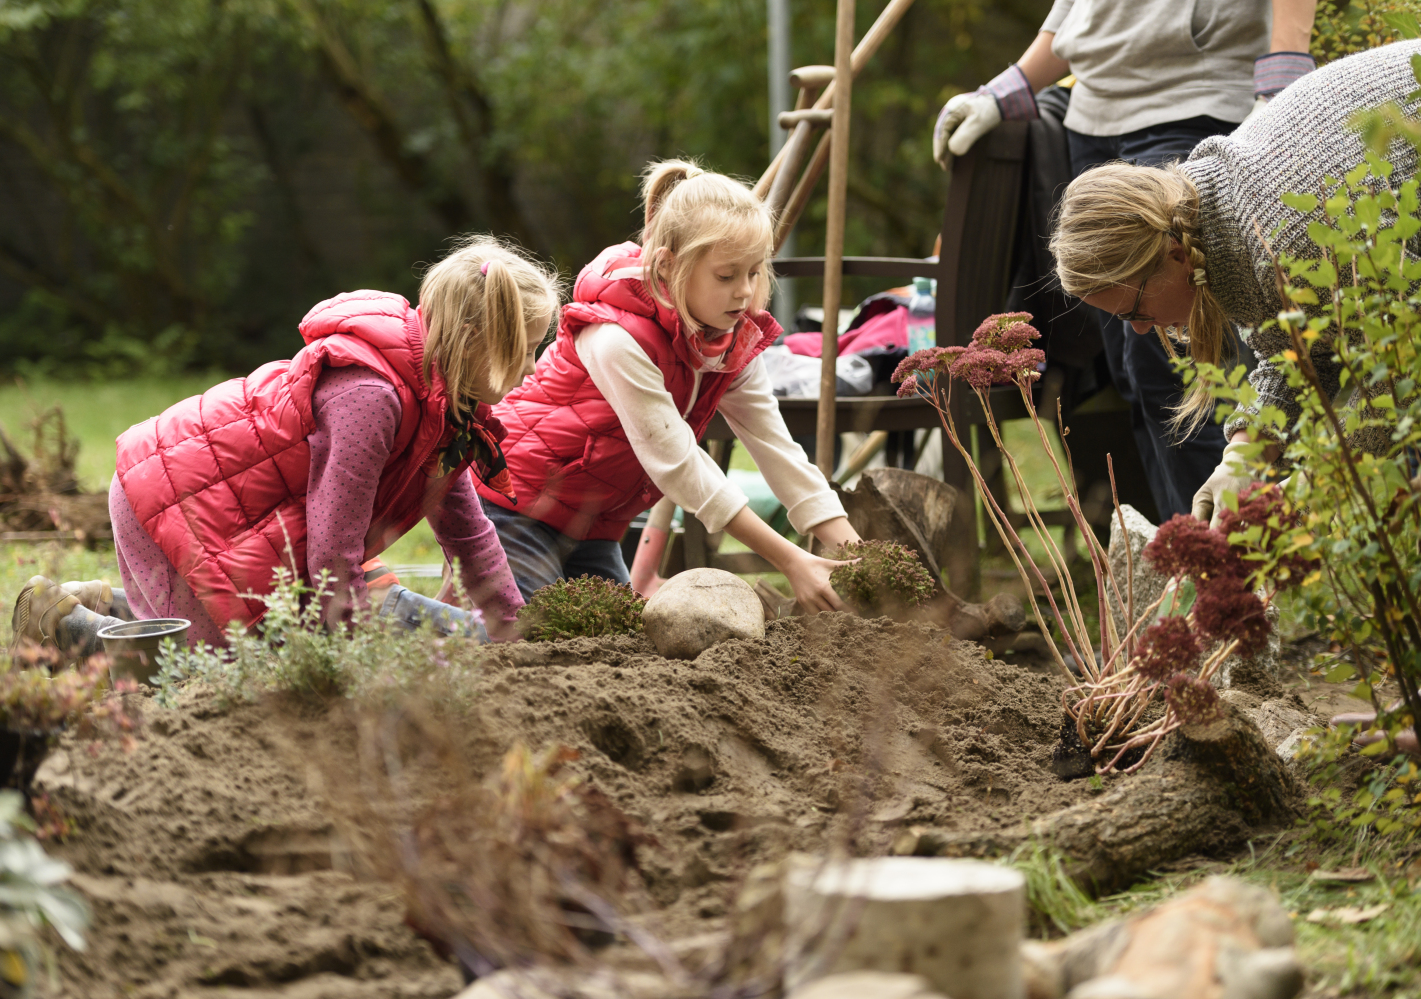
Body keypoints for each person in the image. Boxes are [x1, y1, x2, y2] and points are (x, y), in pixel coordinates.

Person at [11, 236, 561, 656]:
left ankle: (114, 603)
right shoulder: (371, 398)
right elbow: (332, 555)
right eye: (525, 349)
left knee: (257, 651)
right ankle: (67, 626)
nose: (534, 369)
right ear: (473, 342)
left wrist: (515, 631)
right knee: (215, 679)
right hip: (173, 502)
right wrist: (335, 655)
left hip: (242, 521)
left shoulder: (447, 410)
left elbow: (468, 531)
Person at [933, 0, 1318, 521]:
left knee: (1184, 367)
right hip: (1092, 113)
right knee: (1136, 372)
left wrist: (1281, 79)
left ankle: (1239, 558)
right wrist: (1010, 88)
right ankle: (1191, 551)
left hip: (1190, 100)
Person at [1047, 39, 1421, 522]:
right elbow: (1297, 349)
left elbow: (1400, 378)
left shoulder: (1285, 239)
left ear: (1176, 255)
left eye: (1134, 312)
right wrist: (1243, 457)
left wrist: (1306, 488)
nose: (1140, 330)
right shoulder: (1215, 209)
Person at [472, 160, 863, 613]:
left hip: (594, 526)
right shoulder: (615, 338)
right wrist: (790, 559)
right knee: (523, 638)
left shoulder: (732, 340)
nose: (743, 292)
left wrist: (857, 556)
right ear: (668, 265)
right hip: (514, 508)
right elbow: (678, 464)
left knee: (622, 647)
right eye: (726, 275)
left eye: (754, 273)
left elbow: (778, 451)